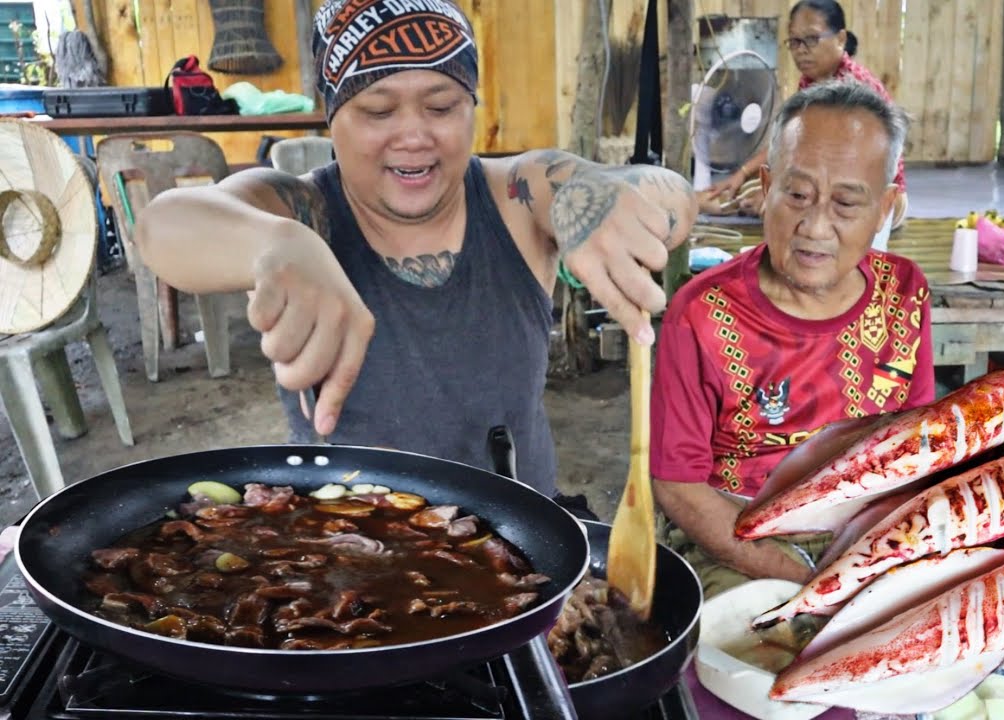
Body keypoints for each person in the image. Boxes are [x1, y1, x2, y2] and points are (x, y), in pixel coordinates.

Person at [132, 0, 697, 503]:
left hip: (520, 538)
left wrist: (600, 193)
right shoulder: (302, 209)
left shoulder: (515, 197)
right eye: (378, 111)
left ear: (471, 106)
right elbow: (164, 226)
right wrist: (275, 242)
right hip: (348, 544)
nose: (414, 136)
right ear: (333, 118)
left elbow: (668, 192)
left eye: (442, 106)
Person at [651, 80, 935, 598]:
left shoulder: (904, 293)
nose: (816, 227)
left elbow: (914, 450)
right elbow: (679, 484)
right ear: (766, 187)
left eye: (847, 203)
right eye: (797, 195)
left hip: (869, 533)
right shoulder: (700, 314)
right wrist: (814, 582)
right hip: (739, 534)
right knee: (754, 654)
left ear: (886, 208)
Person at [700, 0, 909, 250]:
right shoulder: (811, 83)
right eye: (795, 42)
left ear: (840, 39)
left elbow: (841, 171)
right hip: (827, 185)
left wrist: (781, 193)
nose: (801, 50)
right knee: (754, 193)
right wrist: (742, 174)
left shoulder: (854, 91)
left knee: (775, 203)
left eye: (811, 39)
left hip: (872, 199)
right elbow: (791, 140)